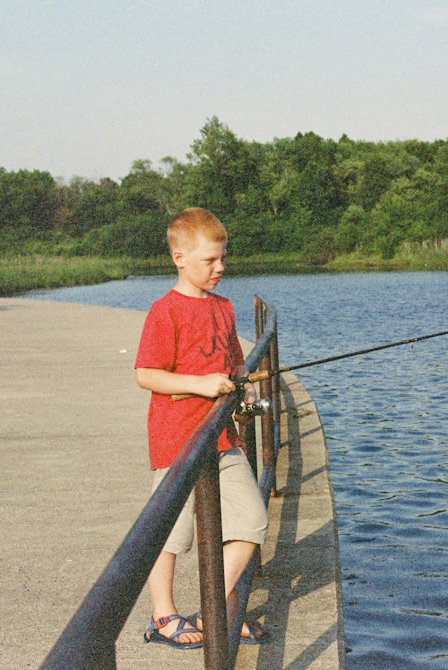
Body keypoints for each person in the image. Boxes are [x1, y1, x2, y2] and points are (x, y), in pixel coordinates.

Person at [135, 207, 269, 649]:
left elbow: (233, 363)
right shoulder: (165, 312)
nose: (221, 268)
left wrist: (243, 388)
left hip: (223, 439)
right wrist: (199, 384)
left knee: (251, 522)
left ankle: (211, 610)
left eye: (223, 258)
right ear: (179, 258)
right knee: (171, 535)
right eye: (210, 260)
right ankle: (164, 616)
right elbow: (147, 374)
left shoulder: (224, 308)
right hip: (178, 441)